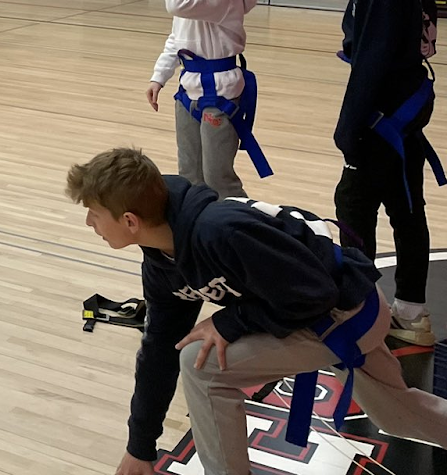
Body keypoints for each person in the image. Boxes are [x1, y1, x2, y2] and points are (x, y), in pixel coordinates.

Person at [67, 146, 447, 475]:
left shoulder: (218, 230)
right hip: (331, 309)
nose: (89, 222)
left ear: (130, 221)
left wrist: (230, 320)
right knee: (396, 414)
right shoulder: (161, 260)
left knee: (201, 366)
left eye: (94, 213)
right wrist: (140, 446)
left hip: (344, 314)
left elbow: (315, 293)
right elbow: (159, 350)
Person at [334, 0, 445, 346]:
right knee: (406, 209)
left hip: (382, 116)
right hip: (404, 112)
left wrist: (348, 128)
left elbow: (371, 63)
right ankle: (411, 312)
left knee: (354, 210)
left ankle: (361, 311)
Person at [146, 0, 265, 200]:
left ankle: (239, 222)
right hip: (189, 92)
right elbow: (177, 39)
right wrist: (159, 76)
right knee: (190, 175)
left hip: (220, 93)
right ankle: (198, 223)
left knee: (218, 178)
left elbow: (177, 4)